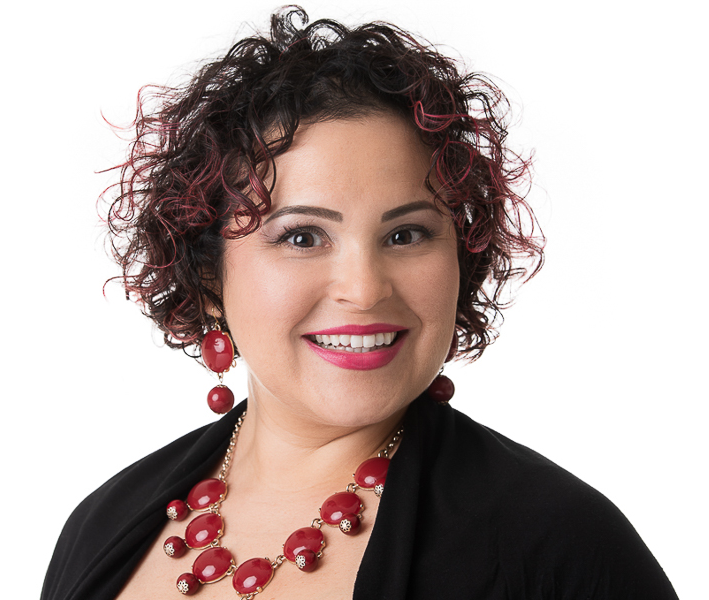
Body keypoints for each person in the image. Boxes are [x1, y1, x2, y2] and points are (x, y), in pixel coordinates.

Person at [42, 7, 677, 600]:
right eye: (301, 236)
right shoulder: (103, 524)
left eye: (407, 234)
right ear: (209, 279)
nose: (365, 287)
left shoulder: (559, 549)